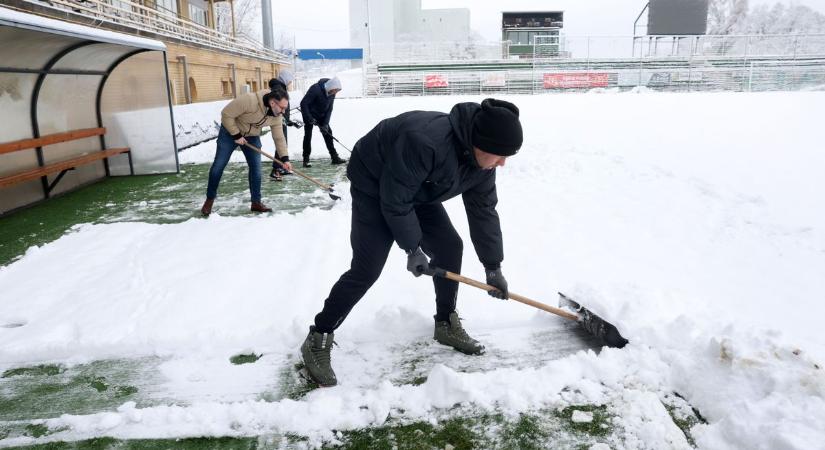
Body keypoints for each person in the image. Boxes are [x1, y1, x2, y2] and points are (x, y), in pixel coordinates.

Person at [300, 98, 523, 386]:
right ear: (478, 143)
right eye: (499, 154)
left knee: (449, 247)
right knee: (367, 268)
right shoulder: (425, 141)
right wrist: (412, 248)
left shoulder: (483, 165)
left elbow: (484, 212)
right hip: (374, 181)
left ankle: (445, 323)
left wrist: (493, 267)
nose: (502, 163)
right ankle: (319, 335)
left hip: (418, 188)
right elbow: (394, 200)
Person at [200, 86, 293, 216]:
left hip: (252, 136)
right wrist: (236, 135)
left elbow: (279, 137)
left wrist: (285, 158)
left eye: (285, 108)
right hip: (229, 132)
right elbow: (226, 114)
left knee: (256, 168)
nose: (283, 111)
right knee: (218, 166)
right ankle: (209, 200)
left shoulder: (276, 115)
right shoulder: (249, 100)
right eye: (282, 108)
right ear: (272, 103)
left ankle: (256, 202)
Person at [299, 77, 346, 167]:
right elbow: (303, 103)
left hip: (321, 115)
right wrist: (309, 118)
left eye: (337, 91)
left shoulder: (332, 93)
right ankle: (306, 159)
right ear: (331, 86)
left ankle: (334, 157)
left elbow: (329, 109)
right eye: (335, 90)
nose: (335, 93)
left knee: (328, 133)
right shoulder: (315, 89)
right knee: (308, 135)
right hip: (309, 114)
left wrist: (325, 123)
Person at [267, 70, 303, 181]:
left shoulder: (280, 87)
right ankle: (276, 169)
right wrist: (284, 119)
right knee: (281, 143)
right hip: (279, 119)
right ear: (285, 79)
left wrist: (288, 120)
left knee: (283, 143)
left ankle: (279, 167)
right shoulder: (278, 88)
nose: (290, 82)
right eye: (289, 80)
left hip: (281, 118)